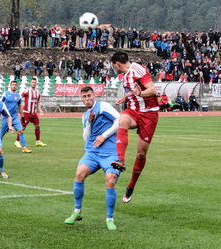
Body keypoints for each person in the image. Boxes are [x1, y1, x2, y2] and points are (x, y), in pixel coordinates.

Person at [64, 86, 120, 231]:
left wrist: (104, 136)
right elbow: (86, 138)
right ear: (81, 99)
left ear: (94, 95)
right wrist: (89, 122)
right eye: (84, 97)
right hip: (92, 153)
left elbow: (119, 120)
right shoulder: (84, 116)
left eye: (89, 96)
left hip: (111, 152)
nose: (87, 99)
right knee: (79, 174)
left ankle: (110, 218)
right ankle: (77, 212)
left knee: (111, 178)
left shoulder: (103, 106)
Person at [110, 51, 159, 204]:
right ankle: (120, 160)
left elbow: (152, 90)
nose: (114, 69)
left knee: (141, 154)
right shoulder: (124, 77)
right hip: (133, 110)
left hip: (149, 114)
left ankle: (131, 185)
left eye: (113, 66)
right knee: (122, 120)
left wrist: (141, 93)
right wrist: (126, 97)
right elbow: (134, 92)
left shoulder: (138, 70)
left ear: (117, 63)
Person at [14, 78, 47, 148]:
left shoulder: (38, 92)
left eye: (35, 82)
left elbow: (38, 102)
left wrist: (40, 110)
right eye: (32, 82)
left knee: (37, 126)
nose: (34, 83)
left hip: (34, 113)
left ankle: (38, 141)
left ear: (36, 83)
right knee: (22, 128)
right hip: (26, 113)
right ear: (30, 83)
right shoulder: (27, 91)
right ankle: (16, 141)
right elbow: (20, 97)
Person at [1, 80, 31, 153]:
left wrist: (22, 117)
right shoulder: (6, 94)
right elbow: (0, 103)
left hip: (15, 117)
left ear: (17, 86)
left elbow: (20, 106)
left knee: (20, 131)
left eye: (15, 85)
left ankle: (24, 147)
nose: (14, 86)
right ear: (10, 86)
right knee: (3, 133)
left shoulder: (18, 96)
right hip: (6, 117)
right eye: (13, 84)